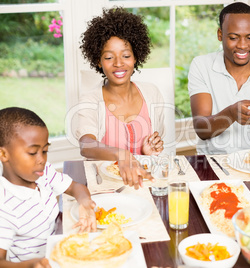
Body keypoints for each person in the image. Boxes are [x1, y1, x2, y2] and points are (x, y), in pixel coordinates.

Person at [75, 7, 164, 188]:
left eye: (126, 55)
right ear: (98, 61)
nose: (118, 63)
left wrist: (147, 152)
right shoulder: (89, 100)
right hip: (105, 187)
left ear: (135, 57)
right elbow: (86, 145)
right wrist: (121, 154)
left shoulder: (152, 93)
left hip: (143, 184)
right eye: (109, 57)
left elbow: (153, 152)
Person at [188, 2, 250, 155]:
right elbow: (202, 129)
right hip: (213, 162)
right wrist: (230, 114)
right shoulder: (201, 66)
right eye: (234, 37)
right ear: (220, 34)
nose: (243, 45)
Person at [0, 107, 97, 267]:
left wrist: (84, 201)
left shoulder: (43, 173)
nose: (41, 160)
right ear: (3, 154)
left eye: (44, 151)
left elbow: (75, 187)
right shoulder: (4, 205)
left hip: (61, 248)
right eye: (32, 153)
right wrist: (30, 265)